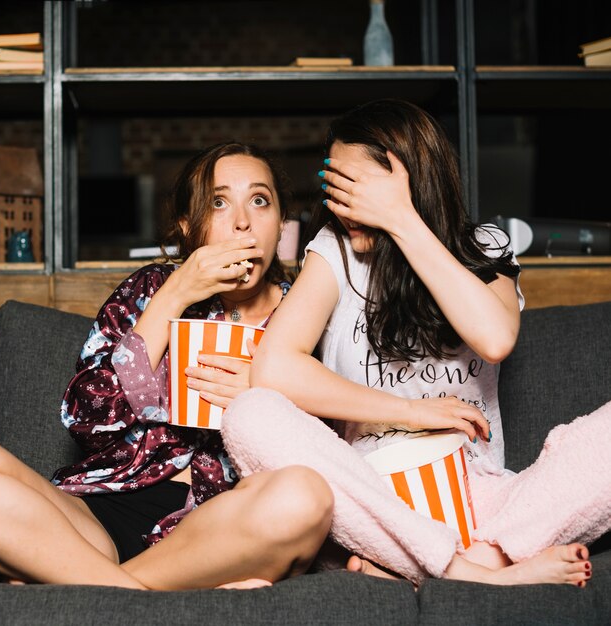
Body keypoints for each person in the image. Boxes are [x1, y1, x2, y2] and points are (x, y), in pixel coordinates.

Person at [219, 99, 611, 588]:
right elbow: (273, 369)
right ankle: (467, 571)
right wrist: (410, 412)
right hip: (373, 505)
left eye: (357, 189)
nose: (342, 206)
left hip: (479, 498)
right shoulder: (334, 252)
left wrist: (403, 221)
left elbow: (494, 338)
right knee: (250, 413)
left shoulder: (484, 247)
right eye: (334, 187)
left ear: (411, 182)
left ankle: (476, 560)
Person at [0, 142, 333, 590]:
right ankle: (138, 594)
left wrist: (265, 396)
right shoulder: (152, 289)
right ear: (190, 228)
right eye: (219, 202)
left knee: (306, 498)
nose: (242, 222)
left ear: (282, 225)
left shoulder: (306, 312)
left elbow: (332, 457)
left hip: (213, 535)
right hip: (93, 518)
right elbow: (87, 420)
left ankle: (69, 579)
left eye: (260, 201)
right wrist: (174, 295)